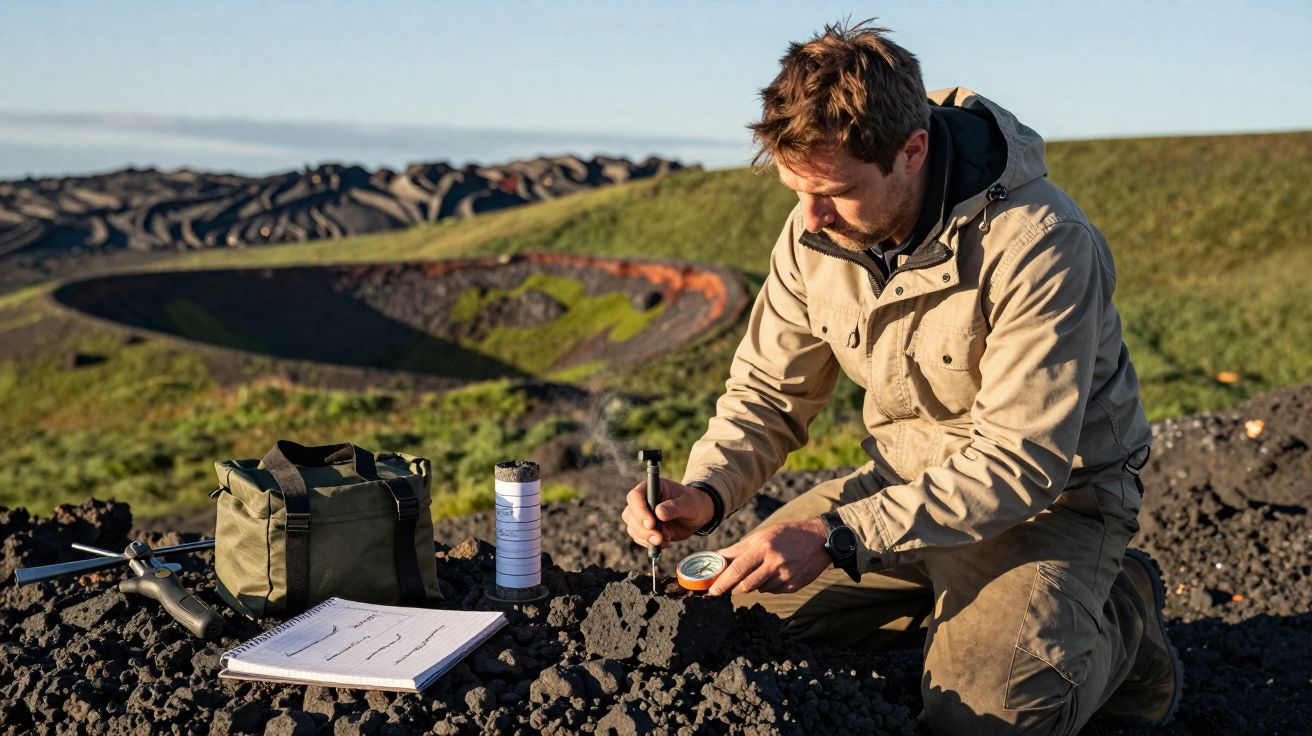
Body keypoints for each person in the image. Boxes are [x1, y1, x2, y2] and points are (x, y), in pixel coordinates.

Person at [620, 19, 1181, 735]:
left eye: (836, 192)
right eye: (796, 190)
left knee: (985, 719)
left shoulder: (1040, 244)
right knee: (725, 613)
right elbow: (767, 393)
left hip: (1049, 509)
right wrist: (704, 492)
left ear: (911, 150)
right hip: (900, 487)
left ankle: (1120, 619)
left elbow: (1021, 464)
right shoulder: (813, 228)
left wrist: (837, 538)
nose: (811, 219)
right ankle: (956, 610)